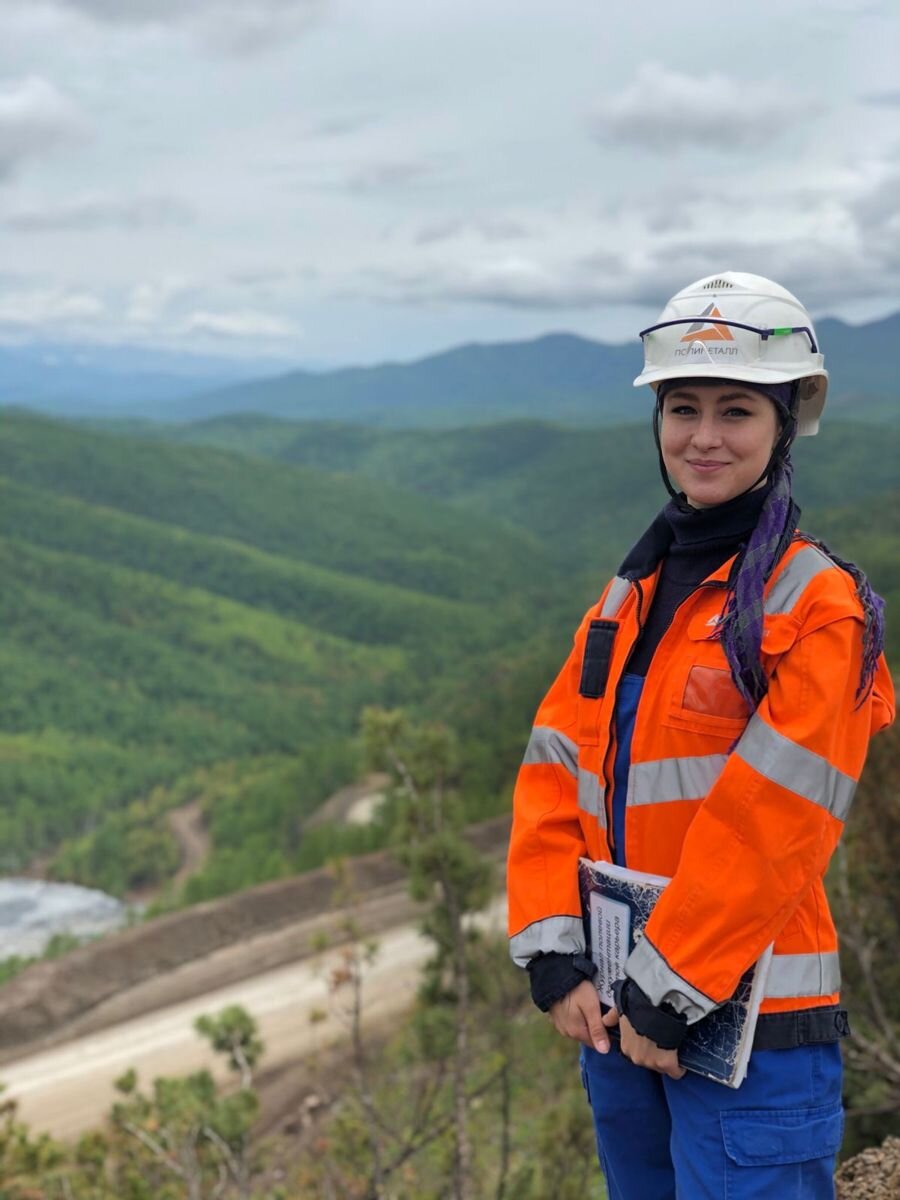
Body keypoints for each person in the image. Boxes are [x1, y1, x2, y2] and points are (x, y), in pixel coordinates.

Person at [506, 271, 895, 1199]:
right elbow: (556, 765)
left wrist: (670, 988)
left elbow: (778, 820)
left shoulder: (816, 608)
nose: (705, 436)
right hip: (618, 1014)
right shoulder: (628, 600)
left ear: (785, 425)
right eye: (684, 408)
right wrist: (552, 947)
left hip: (751, 1029)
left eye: (736, 411)